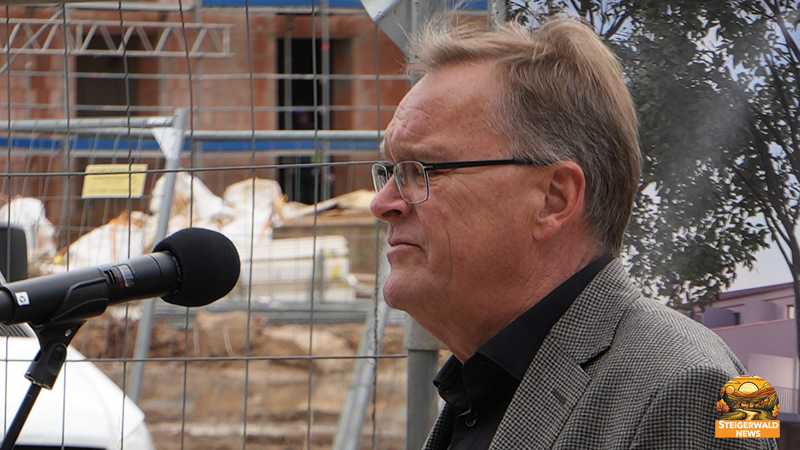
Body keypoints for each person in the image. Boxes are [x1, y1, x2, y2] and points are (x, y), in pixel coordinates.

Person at [368, 17, 777, 450]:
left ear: (554, 200)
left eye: (421, 171)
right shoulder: (484, 386)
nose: (382, 203)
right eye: (390, 171)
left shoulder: (696, 388)